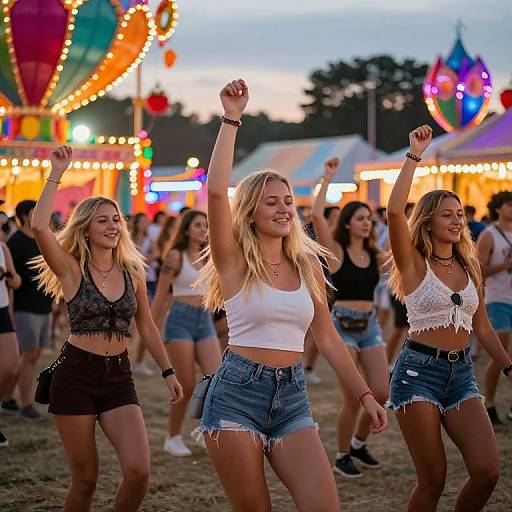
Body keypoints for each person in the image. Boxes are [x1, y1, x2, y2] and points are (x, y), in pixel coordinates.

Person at [195, 79, 387, 512]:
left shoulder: (308, 265)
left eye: (287, 201)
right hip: (236, 394)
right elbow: (214, 192)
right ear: (250, 212)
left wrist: (364, 395)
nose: (284, 209)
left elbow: (329, 338)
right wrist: (232, 118)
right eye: (271, 203)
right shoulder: (234, 263)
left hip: (292, 395)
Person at [31, 145, 183, 512]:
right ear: (85, 227)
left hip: (119, 376)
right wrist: (57, 173)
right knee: (86, 479)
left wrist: (168, 371)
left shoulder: (132, 270)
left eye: (116, 219)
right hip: (76, 374)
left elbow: (146, 325)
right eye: (103, 220)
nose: (113, 225)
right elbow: (38, 226)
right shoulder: (71, 270)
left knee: (138, 471)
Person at [387, 125, 512, 512]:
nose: (458, 221)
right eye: (448, 215)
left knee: (488, 471)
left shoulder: (470, 264)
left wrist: (509, 366)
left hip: (461, 376)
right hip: (416, 374)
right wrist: (414, 155)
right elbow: (394, 211)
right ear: (426, 221)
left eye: (460, 214)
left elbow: (482, 327)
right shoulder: (413, 264)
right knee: (433, 479)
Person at [312, 157, 388, 478]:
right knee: (355, 397)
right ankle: (342, 455)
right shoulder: (338, 253)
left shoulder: (374, 254)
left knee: (381, 392)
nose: (367, 222)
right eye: (360, 218)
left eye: (369, 218)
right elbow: (316, 215)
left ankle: (358, 443)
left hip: (369, 327)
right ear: (346, 223)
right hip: (341, 325)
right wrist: (327, 177)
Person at [151, 209, 221, 457]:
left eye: (206, 225)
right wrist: (151, 329)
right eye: (198, 225)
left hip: (204, 319)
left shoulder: (208, 257)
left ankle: (202, 430)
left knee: (214, 379)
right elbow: (160, 297)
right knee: (187, 384)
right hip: (179, 320)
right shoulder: (174, 256)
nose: (204, 229)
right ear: (186, 229)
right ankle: (172, 436)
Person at [3, 200, 53, 420]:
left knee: (31, 356)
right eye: (35, 211)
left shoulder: (43, 239)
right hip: (24, 308)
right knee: (27, 356)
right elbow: (9, 280)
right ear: (25, 215)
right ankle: (24, 404)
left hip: (44, 306)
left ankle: (8, 398)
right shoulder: (15, 242)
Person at [476, 190, 512, 425]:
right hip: (498, 299)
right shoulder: (489, 235)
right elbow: (478, 271)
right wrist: (506, 265)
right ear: (498, 208)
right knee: (500, 354)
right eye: (509, 204)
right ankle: (488, 403)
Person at [0, 236, 21, 446]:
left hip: (2, 310)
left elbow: (16, 281)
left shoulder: (3, 248)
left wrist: (8, 275)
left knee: (10, 369)